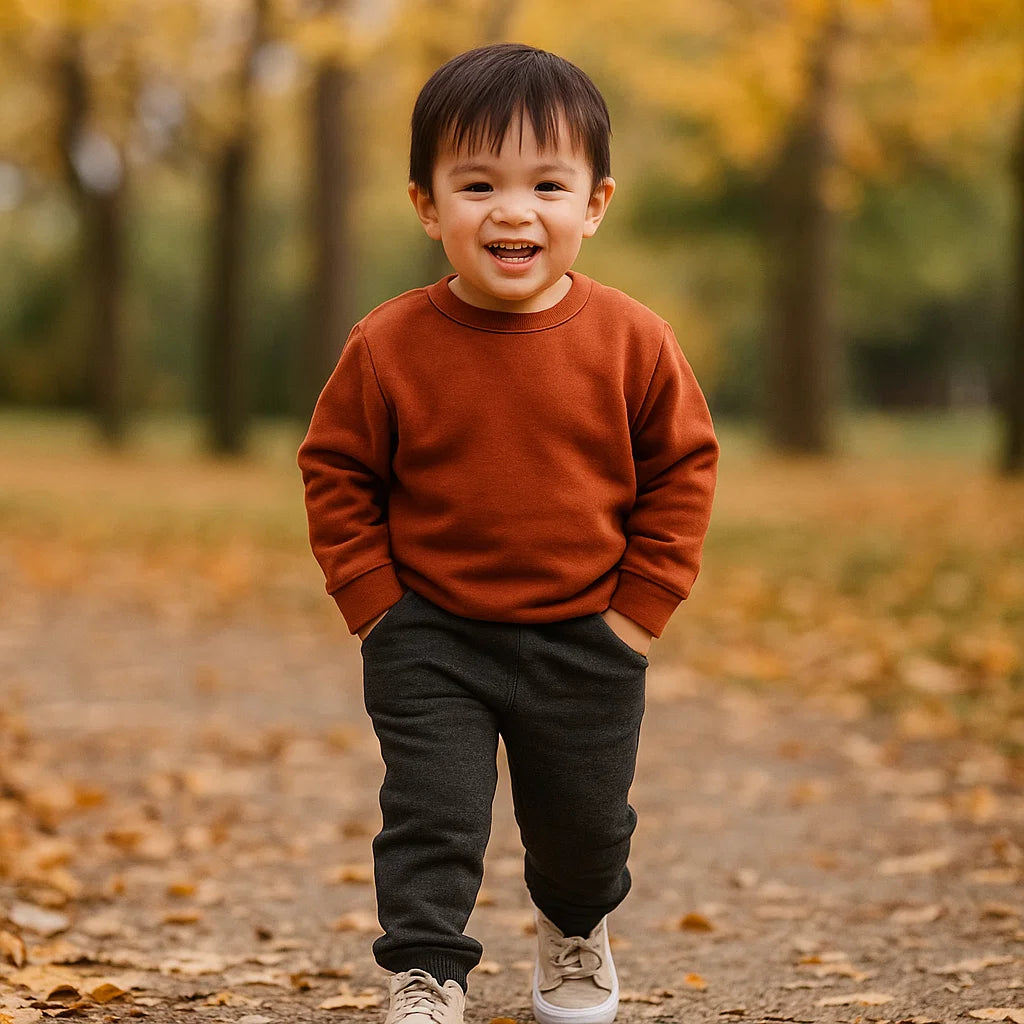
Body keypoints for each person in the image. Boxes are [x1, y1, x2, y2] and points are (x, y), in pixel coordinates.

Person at [298, 41, 719, 1024]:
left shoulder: (633, 341)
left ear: (595, 204)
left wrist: (638, 615)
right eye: (477, 182)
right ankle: (427, 970)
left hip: (589, 631)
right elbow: (337, 469)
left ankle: (574, 927)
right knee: (432, 812)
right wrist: (375, 608)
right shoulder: (387, 344)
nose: (513, 210)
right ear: (427, 204)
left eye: (546, 184)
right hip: (430, 632)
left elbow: (682, 468)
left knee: (583, 824)